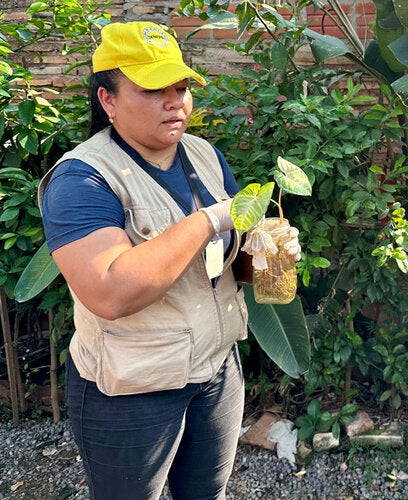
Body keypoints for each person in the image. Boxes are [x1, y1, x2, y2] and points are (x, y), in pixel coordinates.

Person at [38, 21, 299, 499]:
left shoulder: (203, 155)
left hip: (216, 371)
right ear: (107, 99)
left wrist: (268, 254)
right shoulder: (83, 179)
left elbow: (230, 268)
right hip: (131, 390)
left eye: (180, 88)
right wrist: (209, 219)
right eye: (154, 89)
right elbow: (110, 292)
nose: (175, 101)